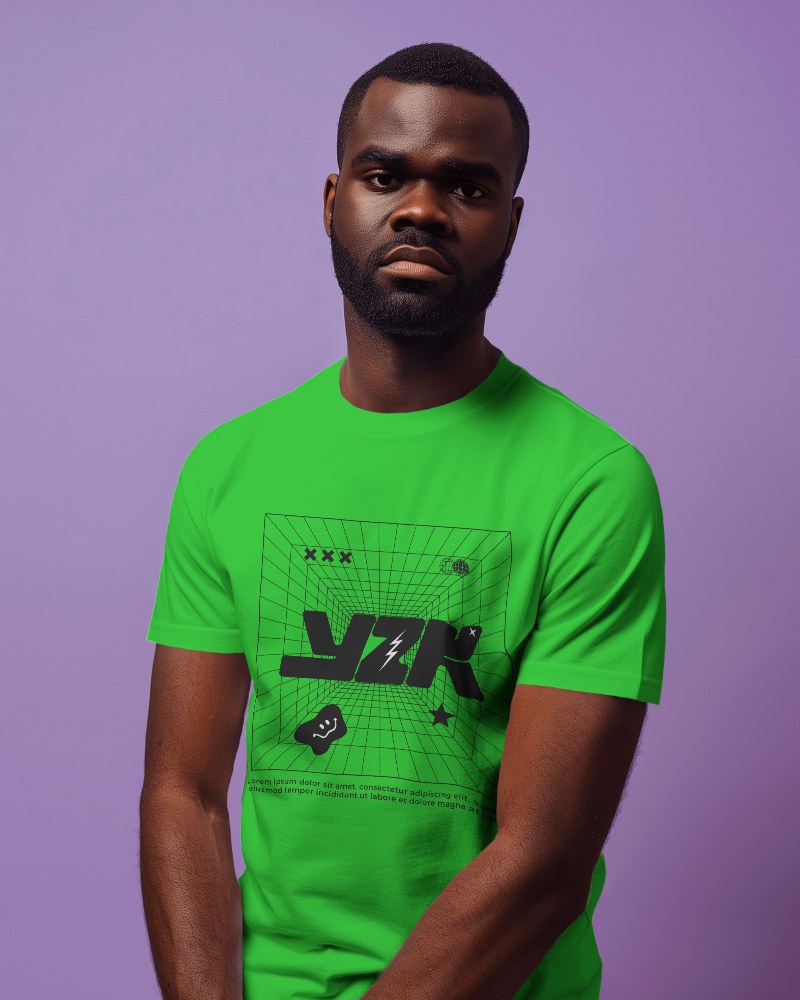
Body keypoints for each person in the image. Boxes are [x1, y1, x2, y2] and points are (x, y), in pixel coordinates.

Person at [140, 41, 666, 1000]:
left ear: (509, 225)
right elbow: (184, 794)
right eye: (387, 175)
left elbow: (543, 861)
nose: (421, 209)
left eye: (466, 187)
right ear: (335, 198)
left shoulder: (593, 481)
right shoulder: (229, 466)